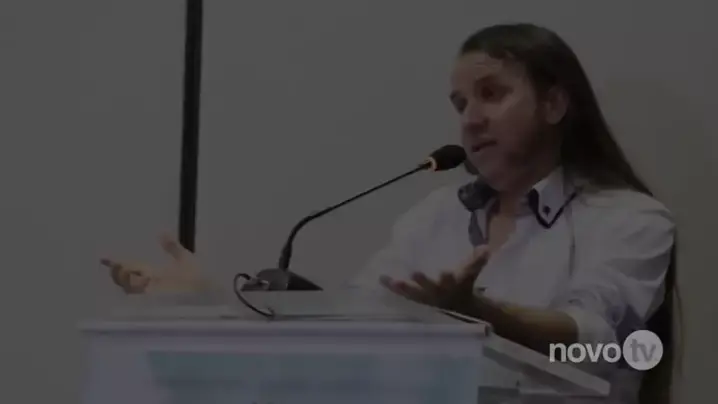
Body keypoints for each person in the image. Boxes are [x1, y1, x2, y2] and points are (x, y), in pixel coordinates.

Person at [102, 23, 678, 404]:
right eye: (460, 103)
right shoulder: (435, 216)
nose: (470, 118)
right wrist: (209, 305)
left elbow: (598, 346)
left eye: (491, 94)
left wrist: (482, 316)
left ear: (554, 103)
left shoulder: (630, 219)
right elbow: (354, 329)